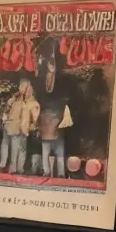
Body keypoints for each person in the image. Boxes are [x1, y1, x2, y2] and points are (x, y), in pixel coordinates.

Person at [38, 50, 72, 178]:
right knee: (58, 152)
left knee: (51, 151)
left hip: (52, 124)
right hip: (54, 124)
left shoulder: (60, 81)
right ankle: (59, 173)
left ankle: (50, 173)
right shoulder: (45, 81)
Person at [1, 80, 39, 174]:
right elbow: (34, 118)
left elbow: (34, 117)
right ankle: (17, 169)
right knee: (19, 149)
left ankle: (16, 169)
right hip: (18, 128)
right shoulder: (20, 100)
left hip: (19, 128)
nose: (21, 89)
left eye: (23, 87)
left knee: (19, 149)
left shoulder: (22, 100)